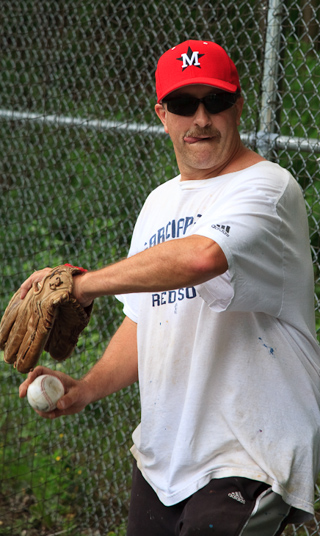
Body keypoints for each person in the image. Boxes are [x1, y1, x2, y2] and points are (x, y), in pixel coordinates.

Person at [19, 40, 320, 536]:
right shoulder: (159, 203)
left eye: (215, 101)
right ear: (162, 114)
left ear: (238, 106)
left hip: (246, 455)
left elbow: (201, 258)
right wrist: (86, 388)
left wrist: (83, 285)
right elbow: (146, 320)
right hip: (164, 457)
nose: (200, 118)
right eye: (183, 104)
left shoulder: (268, 188)